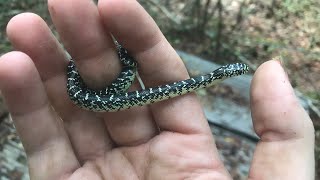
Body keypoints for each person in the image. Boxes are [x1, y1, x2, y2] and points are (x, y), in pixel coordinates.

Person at [0, 0, 315, 179]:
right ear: (223, 74)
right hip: (90, 96)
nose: (238, 72)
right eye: (233, 71)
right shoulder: (91, 83)